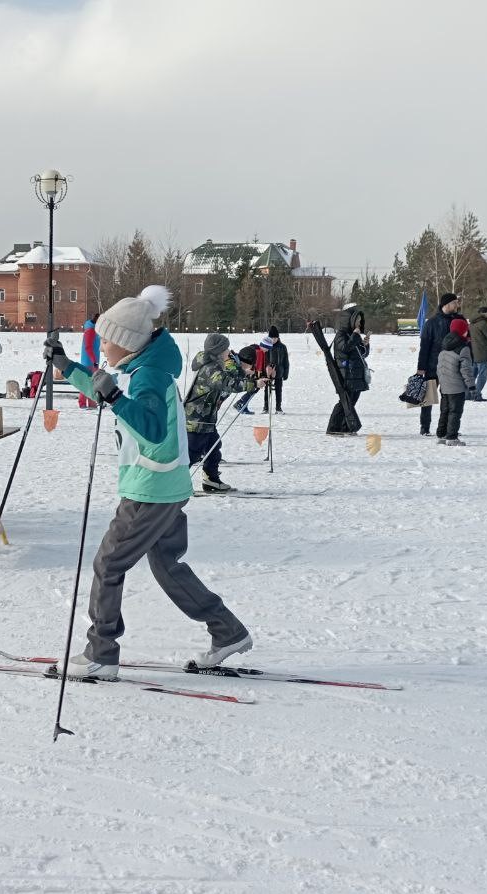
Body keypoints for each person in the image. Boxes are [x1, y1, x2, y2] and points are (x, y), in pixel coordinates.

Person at [43, 285, 252, 680]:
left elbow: (152, 430)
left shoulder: (147, 378)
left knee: (109, 563)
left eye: (106, 339)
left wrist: (117, 399)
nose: (102, 346)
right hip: (165, 484)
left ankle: (101, 654)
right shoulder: (144, 368)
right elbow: (106, 388)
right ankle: (229, 632)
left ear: (125, 342)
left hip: (150, 490)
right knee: (167, 565)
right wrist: (67, 366)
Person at [184, 334, 265, 493]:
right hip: (196, 418)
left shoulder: (215, 364)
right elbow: (227, 383)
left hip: (206, 417)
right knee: (192, 453)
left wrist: (247, 375)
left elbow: (230, 375)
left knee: (213, 447)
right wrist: (254, 384)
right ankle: (173, 483)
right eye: (226, 348)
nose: (228, 351)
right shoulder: (210, 368)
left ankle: (211, 480)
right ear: (218, 350)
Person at [416, 293, 464, 435]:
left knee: (449, 399)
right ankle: (425, 428)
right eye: (455, 302)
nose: (457, 305)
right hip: (432, 366)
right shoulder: (431, 323)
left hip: (452, 368)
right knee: (428, 398)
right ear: (446, 304)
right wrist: (421, 367)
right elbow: (424, 346)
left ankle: (448, 428)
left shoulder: (459, 320)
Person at [328, 305, 370, 434]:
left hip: (356, 374)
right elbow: (345, 348)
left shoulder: (352, 335)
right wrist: (355, 336)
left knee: (352, 402)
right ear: (350, 321)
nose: (359, 324)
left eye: (359, 321)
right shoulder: (341, 335)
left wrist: (366, 345)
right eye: (357, 321)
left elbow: (362, 354)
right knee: (344, 402)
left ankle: (346, 427)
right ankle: (333, 428)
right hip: (346, 375)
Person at [436, 317, 475, 445]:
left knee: (445, 411)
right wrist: (471, 385)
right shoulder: (463, 348)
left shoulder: (444, 346)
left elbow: (440, 367)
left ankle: (442, 435)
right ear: (462, 331)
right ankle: (452, 437)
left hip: (445, 386)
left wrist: (442, 382)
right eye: (465, 330)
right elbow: (466, 369)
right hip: (456, 387)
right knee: (455, 411)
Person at [468, 306, 487, 400]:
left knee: (473, 375)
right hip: (483, 353)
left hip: (474, 352)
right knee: (482, 375)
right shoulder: (483, 323)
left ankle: (468, 394)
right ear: (484, 313)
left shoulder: (472, 323)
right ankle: (477, 394)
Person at [259, 326, 290, 413]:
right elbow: (263, 359)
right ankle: (266, 407)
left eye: (275, 338)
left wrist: (286, 373)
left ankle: (278, 408)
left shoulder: (282, 347)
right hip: (268, 371)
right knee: (267, 390)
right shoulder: (267, 346)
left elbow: (286, 361)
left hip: (279, 371)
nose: (273, 340)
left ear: (278, 337)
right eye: (271, 338)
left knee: (278, 389)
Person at [78, 315, 101, 409]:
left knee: (89, 382)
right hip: (89, 362)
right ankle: (85, 403)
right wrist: (94, 361)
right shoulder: (90, 331)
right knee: (89, 382)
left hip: (91, 361)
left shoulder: (92, 330)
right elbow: (88, 347)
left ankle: (88, 403)